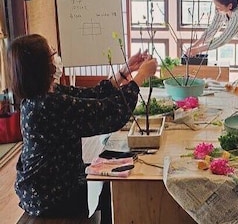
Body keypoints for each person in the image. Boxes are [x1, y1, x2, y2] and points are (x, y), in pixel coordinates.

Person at [7, 34, 157, 223]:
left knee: (106, 186)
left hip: (44, 184)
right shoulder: (47, 105)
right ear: (41, 66)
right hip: (50, 194)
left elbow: (91, 95)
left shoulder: (42, 96)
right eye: (51, 54)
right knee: (111, 185)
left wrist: (125, 71)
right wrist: (141, 76)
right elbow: (108, 113)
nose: (55, 58)